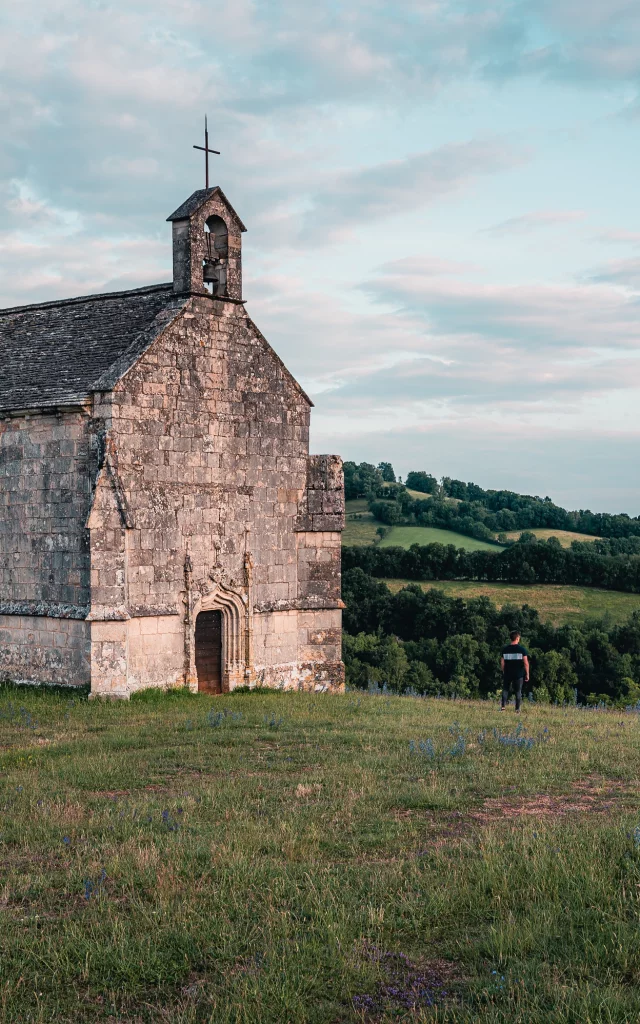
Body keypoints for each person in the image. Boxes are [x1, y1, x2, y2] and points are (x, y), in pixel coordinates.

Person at [500, 630, 530, 711]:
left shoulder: (505, 650)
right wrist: (527, 674)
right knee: (518, 691)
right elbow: (526, 663)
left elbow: (502, 663)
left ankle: (503, 707)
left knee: (505, 689)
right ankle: (517, 709)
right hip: (518, 674)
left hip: (507, 673)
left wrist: (503, 671)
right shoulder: (522, 650)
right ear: (517, 638)